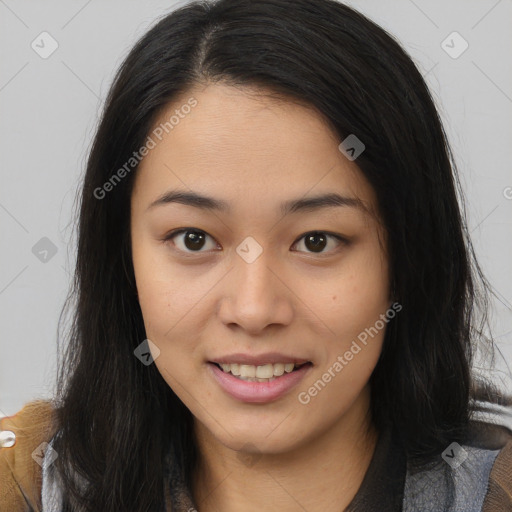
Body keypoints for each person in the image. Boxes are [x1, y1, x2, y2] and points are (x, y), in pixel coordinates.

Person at [1, 0, 511, 510]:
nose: (253, 309)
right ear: (122, 258)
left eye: (316, 241)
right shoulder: (21, 482)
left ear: (408, 258)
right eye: (193, 239)